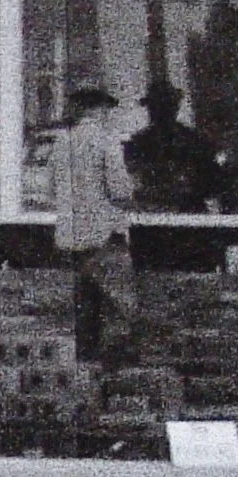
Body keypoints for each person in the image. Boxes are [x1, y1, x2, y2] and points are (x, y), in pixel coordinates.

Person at [51, 86, 140, 370]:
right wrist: (137, 188)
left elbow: (51, 188)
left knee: (84, 317)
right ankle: (119, 385)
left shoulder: (61, 143)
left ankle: (87, 379)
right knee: (119, 311)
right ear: (100, 110)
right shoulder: (105, 140)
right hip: (105, 238)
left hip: (73, 240)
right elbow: (120, 191)